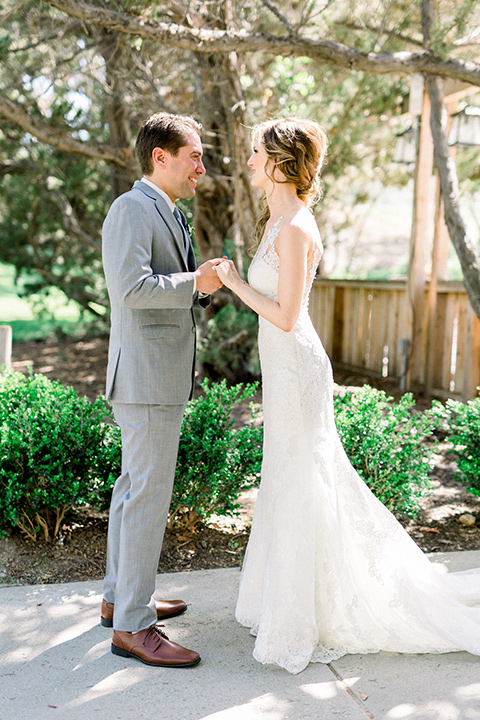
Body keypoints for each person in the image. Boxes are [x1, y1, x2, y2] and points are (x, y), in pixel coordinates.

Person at [215, 117, 480, 675]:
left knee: (302, 479)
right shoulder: (277, 217)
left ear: (281, 162)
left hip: (296, 366)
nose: (248, 162)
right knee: (287, 477)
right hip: (282, 370)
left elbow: (287, 317)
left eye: (256, 153)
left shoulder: (295, 227)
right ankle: (287, 601)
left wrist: (236, 283)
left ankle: (309, 614)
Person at [101, 112, 223, 668]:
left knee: (133, 492)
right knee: (147, 497)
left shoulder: (166, 208)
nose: (201, 166)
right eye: (193, 155)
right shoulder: (131, 208)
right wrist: (194, 283)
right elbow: (130, 288)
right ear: (161, 157)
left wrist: (199, 288)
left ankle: (119, 599)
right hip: (146, 376)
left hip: (156, 373)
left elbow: (163, 285)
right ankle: (133, 626)